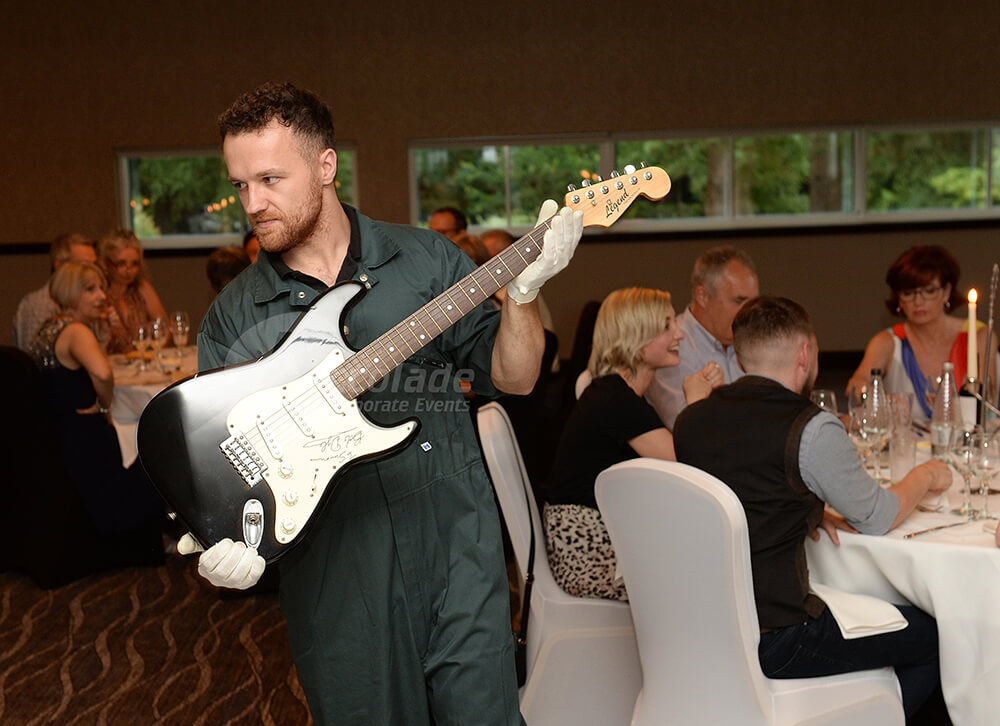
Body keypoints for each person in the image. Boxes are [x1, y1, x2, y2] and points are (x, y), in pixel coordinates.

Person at [180, 81, 582, 726]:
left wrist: (525, 295)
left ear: (325, 165)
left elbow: (518, 377)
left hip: (457, 548)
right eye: (240, 186)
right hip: (339, 579)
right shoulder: (234, 319)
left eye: (271, 179)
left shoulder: (424, 260)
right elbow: (222, 464)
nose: (253, 204)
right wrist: (224, 537)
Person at [673, 296, 951, 719]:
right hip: (781, 638)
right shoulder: (811, 427)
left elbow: (735, 490)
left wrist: (809, 507)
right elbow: (877, 517)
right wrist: (928, 475)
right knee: (940, 634)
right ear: (806, 353)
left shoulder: (692, 420)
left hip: (707, 629)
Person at [541, 287, 722, 600]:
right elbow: (690, 468)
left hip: (598, 538)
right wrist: (698, 403)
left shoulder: (616, 393)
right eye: (666, 326)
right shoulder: (613, 399)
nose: (679, 333)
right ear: (636, 338)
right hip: (588, 550)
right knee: (712, 570)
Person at [28, 260, 165, 570]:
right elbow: (103, 374)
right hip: (86, 439)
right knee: (159, 447)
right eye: (90, 290)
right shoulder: (76, 331)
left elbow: (72, 375)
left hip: (62, 435)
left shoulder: (49, 328)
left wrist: (102, 337)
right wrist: (105, 405)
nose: (102, 295)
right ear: (70, 293)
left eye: (102, 288)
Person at [848, 245, 997, 421]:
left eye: (929, 291)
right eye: (909, 293)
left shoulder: (978, 335)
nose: (918, 301)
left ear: (947, 291)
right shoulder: (888, 341)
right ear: (898, 299)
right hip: (907, 445)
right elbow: (856, 386)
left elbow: (988, 393)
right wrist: (877, 399)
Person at [646, 245, 759, 429]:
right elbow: (684, 430)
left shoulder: (752, 339)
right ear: (703, 296)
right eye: (739, 301)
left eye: (754, 302)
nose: (751, 312)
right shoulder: (671, 348)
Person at [12, 233, 97, 350]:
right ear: (59, 265)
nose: (93, 271)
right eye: (84, 265)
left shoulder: (85, 301)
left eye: (94, 264)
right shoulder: (38, 304)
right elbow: (33, 360)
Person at [97, 228, 169, 354]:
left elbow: (164, 327)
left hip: (142, 363)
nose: (128, 270)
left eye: (134, 264)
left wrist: (152, 353)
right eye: (121, 263)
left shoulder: (141, 287)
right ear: (104, 263)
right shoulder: (98, 293)